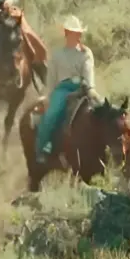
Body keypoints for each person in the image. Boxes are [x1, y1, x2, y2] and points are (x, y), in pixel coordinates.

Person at [35, 16, 99, 163]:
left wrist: (91, 88)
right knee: (51, 114)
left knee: (102, 110)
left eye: (78, 33)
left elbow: (88, 71)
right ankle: (42, 149)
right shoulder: (57, 54)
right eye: (72, 32)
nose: (76, 35)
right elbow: (51, 78)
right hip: (63, 89)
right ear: (66, 33)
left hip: (82, 88)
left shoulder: (86, 53)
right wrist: (47, 95)